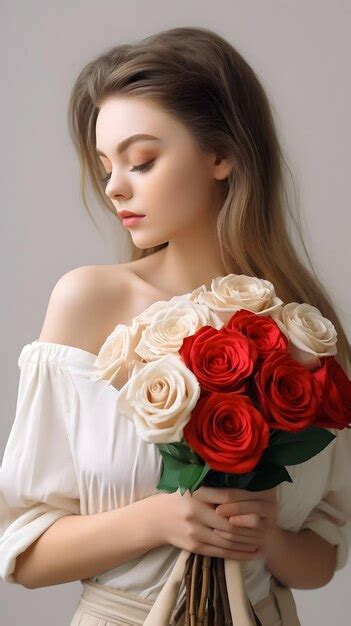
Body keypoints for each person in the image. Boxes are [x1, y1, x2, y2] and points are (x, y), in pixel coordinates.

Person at [1, 25, 350, 626]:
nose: (114, 187)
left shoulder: (305, 332)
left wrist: (267, 538)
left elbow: (323, 557)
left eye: (142, 160)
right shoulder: (90, 300)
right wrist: (159, 519)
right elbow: (22, 551)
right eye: (106, 165)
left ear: (223, 154)